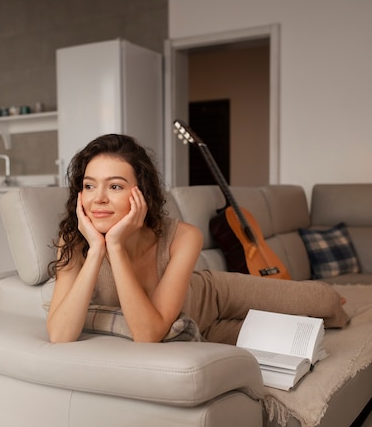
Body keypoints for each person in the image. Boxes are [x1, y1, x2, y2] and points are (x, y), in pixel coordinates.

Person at [47, 134, 349, 344]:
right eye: (89, 186)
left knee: (323, 301)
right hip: (190, 330)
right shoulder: (75, 241)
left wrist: (115, 244)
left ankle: (337, 306)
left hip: (214, 295)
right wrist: (104, 247)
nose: (98, 198)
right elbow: (63, 335)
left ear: (142, 194)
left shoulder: (183, 236)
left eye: (114, 186)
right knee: (303, 335)